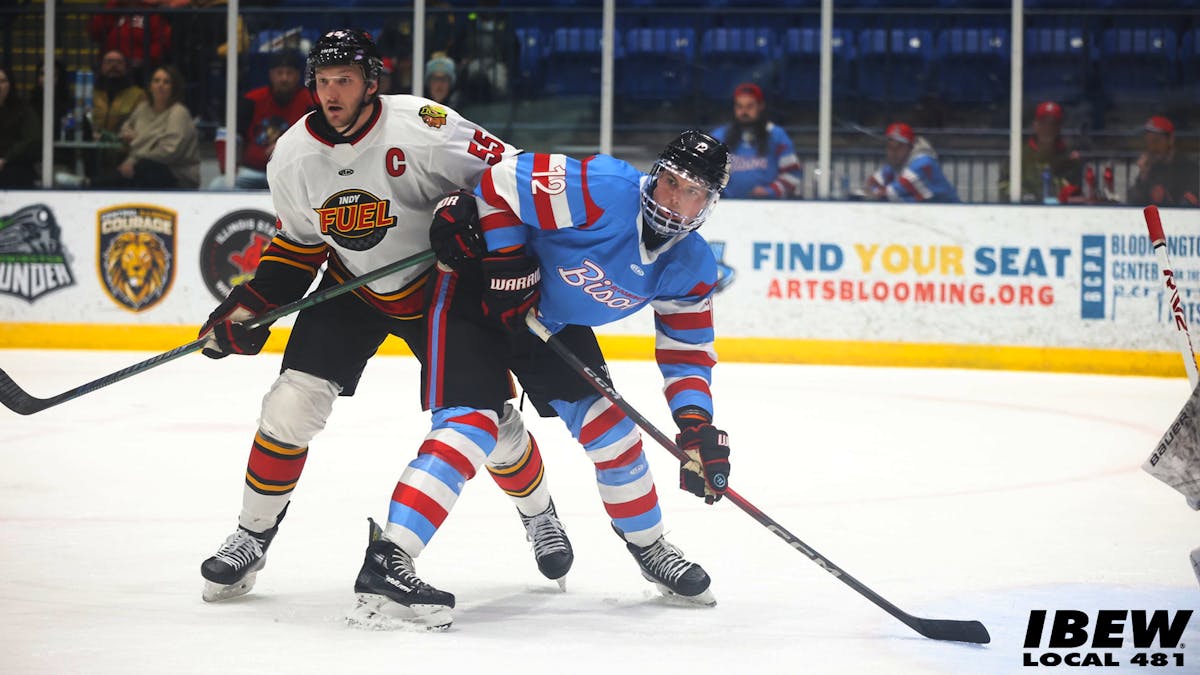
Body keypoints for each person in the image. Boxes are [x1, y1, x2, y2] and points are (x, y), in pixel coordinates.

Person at [194, 29, 573, 628]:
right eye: (322, 81)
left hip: (442, 289)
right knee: (289, 406)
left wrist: (464, 214)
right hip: (355, 288)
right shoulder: (293, 156)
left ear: (372, 81)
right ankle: (250, 539)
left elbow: (511, 176)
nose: (331, 92)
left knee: (489, 420)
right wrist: (248, 308)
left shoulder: (423, 124)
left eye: (344, 79)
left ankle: (539, 513)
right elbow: (298, 246)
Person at [387, 130, 737, 627]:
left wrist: (696, 425)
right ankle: (390, 559)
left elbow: (686, 355)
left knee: (614, 433)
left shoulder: (690, 264)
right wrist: (508, 257)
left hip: (546, 321)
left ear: (709, 203)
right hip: (475, 299)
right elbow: (496, 182)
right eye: (671, 183)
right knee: (470, 427)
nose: (676, 199)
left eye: (693, 192)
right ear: (655, 175)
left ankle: (650, 546)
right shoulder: (603, 187)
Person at [215, 49, 312, 189]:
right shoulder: (252, 100)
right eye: (279, 73)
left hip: (293, 175)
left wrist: (287, 147)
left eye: (289, 73)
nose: (284, 78)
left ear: (298, 76)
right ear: (271, 75)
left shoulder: (310, 102)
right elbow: (225, 134)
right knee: (219, 185)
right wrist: (229, 169)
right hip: (252, 172)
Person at [106, 64, 199, 189]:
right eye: (156, 81)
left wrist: (136, 154)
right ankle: (86, 184)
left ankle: (87, 183)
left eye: (166, 82)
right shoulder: (143, 108)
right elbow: (126, 129)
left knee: (145, 167)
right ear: (150, 86)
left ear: (174, 87)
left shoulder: (178, 112)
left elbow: (169, 152)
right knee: (112, 161)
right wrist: (139, 138)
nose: (160, 85)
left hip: (176, 173)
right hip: (141, 163)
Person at [709, 82, 803, 199]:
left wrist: (770, 191)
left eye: (749, 106)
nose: (744, 112)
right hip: (727, 205)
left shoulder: (777, 136)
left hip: (770, 208)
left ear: (760, 106)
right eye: (739, 106)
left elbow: (793, 174)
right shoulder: (719, 137)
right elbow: (704, 173)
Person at [999, 101, 1082, 204]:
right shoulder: (1019, 153)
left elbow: (1073, 193)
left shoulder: (1069, 157)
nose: (1048, 128)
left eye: (1053, 123)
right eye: (1043, 122)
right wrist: (1024, 196)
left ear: (1059, 127)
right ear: (1035, 125)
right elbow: (1003, 185)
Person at [862, 122, 960, 203]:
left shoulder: (923, 163)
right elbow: (871, 183)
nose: (893, 152)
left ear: (910, 147)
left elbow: (892, 194)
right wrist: (875, 191)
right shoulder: (896, 163)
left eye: (899, 146)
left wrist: (875, 192)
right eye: (890, 147)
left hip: (952, 215)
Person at [1127, 116, 1199, 208]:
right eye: (1148, 142)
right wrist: (1143, 174)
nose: (1151, 147)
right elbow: (1133, 203)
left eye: (1156, 141)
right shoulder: (1150, 168)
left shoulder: (1188, 168)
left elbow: (1191, 203)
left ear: (1170, 140)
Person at [88, 0, 173, 76]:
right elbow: (95, 32)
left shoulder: (152, 13)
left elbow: (160, 42)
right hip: (110, 66)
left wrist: (143, 60)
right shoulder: (112, 8)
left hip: (139, 70)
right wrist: (113, 4)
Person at [0, 67, 41, 188]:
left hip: (16, 168)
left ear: (10, 84)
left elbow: (32, 140)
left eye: (3, 81)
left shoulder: (23, 110)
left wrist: (6, 159)